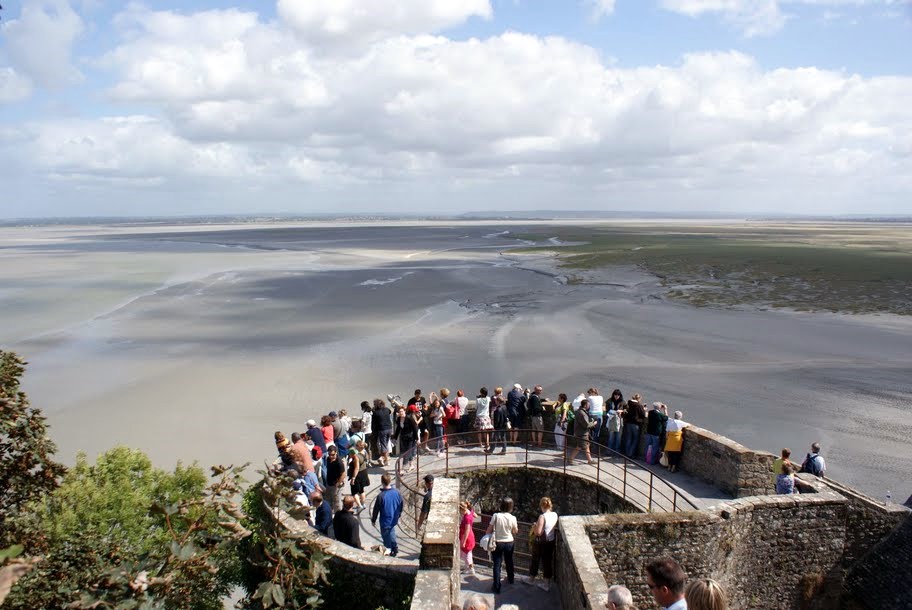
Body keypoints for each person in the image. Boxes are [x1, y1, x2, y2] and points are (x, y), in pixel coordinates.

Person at [486, 497, 518, 594]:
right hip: (509, 542)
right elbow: (515, 531)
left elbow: (489, 529)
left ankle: (497, 586)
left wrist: (487, 537)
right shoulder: (513, 518)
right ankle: (511, 579)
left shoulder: (496, 516)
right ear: (511, 507)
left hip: (498, 542)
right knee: (509, 561)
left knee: (497, 564)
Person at [525, 496, 558, 591]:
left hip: (540, 543)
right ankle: (546, 584)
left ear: (541, 505)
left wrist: (535, 526)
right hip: (550, 541)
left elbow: (538, 532)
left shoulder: (542, 517)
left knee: (535, 560)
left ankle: (531, 579)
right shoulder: (555, 514)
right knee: (547, 562)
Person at [371, 473, 403, 556]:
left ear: (382, 482)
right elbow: (401, 504)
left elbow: (376, 510)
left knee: (386, 537)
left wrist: (373, 520)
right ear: (390, 481)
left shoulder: (381, 496)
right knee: (391, 531)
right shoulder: (397, 492)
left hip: (385, 520)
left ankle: (389, 552)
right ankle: (395, 547)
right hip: (394, 518)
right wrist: (399, 514)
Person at [567, 399, 597, 465]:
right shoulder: (582, 413)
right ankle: (570, 459)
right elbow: (586, 425)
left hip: (582, 433)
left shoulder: (580, 411)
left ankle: (590, 460)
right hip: (582, 433)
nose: (589, 406)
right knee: (579, 447)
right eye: (588, 405)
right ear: (585, 405)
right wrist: (594, 423)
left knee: (586, 446)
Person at [348, 439, 369, 512]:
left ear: (358, 447)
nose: (355, 447)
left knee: (354, 492)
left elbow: (356, 468)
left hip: (358, 474)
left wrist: (353, 478)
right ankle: (363, 504)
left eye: (356, 445)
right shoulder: (365, 452)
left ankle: (359, 506)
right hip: (364, 472)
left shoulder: (357, 456)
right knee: (362, 490)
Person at [323, 445, 346, 513]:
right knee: (328, 500)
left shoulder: (339, 463)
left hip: (336, 485)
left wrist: (338, 483)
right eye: (329, 454)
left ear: (336, 453)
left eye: (332, 455)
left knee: (337, 502)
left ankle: (338, 516)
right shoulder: (328, 459)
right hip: (329, 483)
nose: (331, 456)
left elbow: (343, 474)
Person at [372, 397, 393, 467]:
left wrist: (374, 432)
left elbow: (374, 424)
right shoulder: (386, 409)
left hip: (382, 430)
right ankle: (383, 458)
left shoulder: (375, 413)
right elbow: (390, 411)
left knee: (383, 445)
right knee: (386, 444)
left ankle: (386, 460)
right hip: (389, 429)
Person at [459, 500, 477, 576]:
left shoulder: (467, 518)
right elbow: (476, 515)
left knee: (467, 554)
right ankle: (467, 567)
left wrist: (463, 542)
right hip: (470, 536)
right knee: (468, 553)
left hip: (467, 537)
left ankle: (471, 568)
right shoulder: (470, 511)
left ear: (462, 509)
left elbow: (467, 530)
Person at [475, 387, 493, 451]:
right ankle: (487, 443)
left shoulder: (478, 400)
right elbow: (487, 398)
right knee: (486, 432)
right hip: (486, 417)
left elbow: (476, 407)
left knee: (479, 431)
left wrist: (479, 397)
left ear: (481, 393)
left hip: (479, 417)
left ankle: (480, 443)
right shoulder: (488, 399)